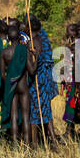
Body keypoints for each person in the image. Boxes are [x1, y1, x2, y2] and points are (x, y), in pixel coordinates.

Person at [24, 17, 56, 146]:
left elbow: (32, 70)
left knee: (35, 112)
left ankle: (35, 144)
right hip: (46, 79)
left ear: (29, 28)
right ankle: (53, 141)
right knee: (46, 111)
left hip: (38, 79)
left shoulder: (33, 42)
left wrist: (34, 56)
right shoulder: (44, 38)